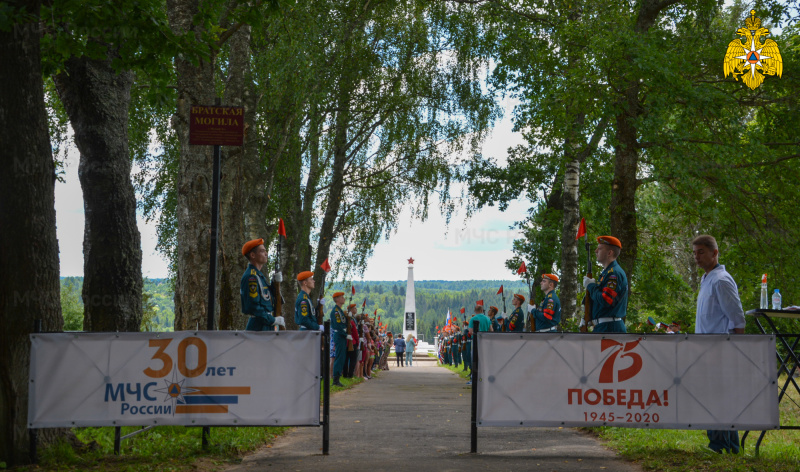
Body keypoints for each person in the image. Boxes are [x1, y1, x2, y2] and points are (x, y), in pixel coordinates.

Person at [692, 234, 746, 454]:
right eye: (694, 253)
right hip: (706, 349)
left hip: (720, 349)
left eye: (701, 252)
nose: (696, 257)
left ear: (715, 253)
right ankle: (724, 445)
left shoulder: (721, 280)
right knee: (711, 398)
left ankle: (722, 446)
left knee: (719, 399)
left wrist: (735, 349)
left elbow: (737, 317)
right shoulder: (707, 279)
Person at [582, 236, 629, 333]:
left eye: (599, 248)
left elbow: (605, 300)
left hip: (609, 328)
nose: (596, 251)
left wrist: (591, 286)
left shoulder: (613, 273)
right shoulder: (606, 273)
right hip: (603, 327)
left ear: (609, 253)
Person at [240, 239, 280, 331]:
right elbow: (253, 306)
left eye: (265, 250)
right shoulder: (252, 276)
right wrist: (272, 320)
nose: (266, 253)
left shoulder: (259, 275)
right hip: (259, 326)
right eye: (262, 251)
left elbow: (268, 297)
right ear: (252, 255)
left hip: (265, 323)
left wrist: (275, 282)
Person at [466, 304, 493, 385]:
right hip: (485, 342)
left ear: (475, 311)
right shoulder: (487, 319)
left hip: (476, 341)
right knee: (484, 360)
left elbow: (470, 331)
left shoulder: (473, 319)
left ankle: (474, 378)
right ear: (482, 310)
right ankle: (484, 378)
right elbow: (491, 330)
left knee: (474, 360)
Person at [330, 291, 349, 387]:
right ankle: (335, 380)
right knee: (339, 357)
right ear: (337, 299)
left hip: (342, 335)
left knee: (341, 357)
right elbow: (338, 326)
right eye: (342, 297)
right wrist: (346, 334)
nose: (343, 299)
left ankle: (337, 378)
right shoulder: (336, 311)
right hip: (340, 335)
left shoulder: (340, 311)